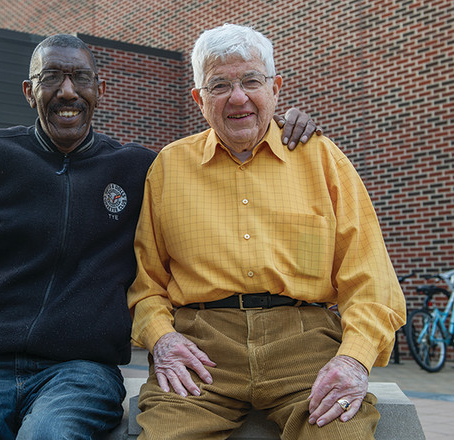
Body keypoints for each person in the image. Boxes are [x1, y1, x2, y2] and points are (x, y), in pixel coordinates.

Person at [0, 33, 317, 439]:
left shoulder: (139, 169)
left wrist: (272, 125)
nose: (67, 91)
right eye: (51, 78)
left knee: (51, 435)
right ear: (30, 92)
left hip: (79, 372)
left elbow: (220, 169)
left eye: (80, 78)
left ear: (99, 90)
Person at [127, 24, 406, 440]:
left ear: (275, 87)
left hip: (305, 346)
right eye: (219, 85)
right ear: (199, 99)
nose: (238, 97)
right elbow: (145, 282)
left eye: (251, 81)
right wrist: (162, 339)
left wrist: (354, 359)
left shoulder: (321, 159)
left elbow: (371, 280)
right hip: (201, 354)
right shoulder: (168, 168)